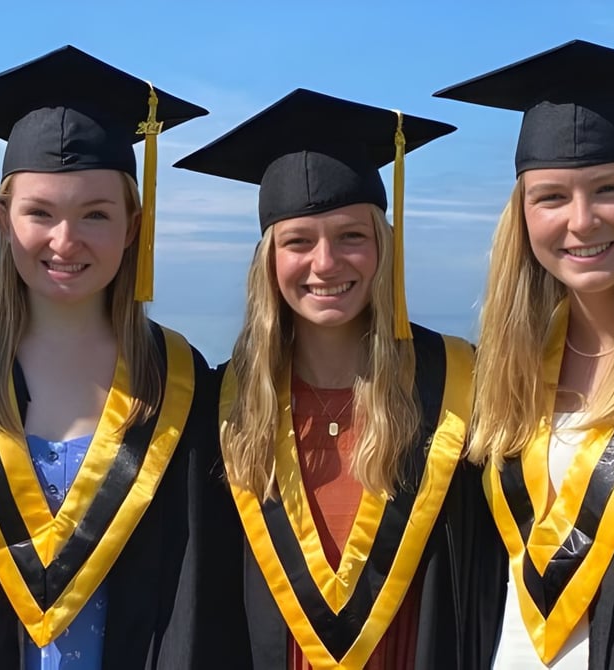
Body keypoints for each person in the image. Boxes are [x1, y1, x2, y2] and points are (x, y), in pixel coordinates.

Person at [0, 45, 239, 669]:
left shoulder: (177, 379)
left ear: (133, 226)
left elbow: (208, 589)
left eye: (96, 213)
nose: (67, 241)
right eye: (40, 213)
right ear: (2, 221)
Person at [174, 89, 504, 669]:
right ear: (269, 260)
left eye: (352, 235)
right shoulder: (222, 406)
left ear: (383, 245)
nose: (325, 263)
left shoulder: (461, 387)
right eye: (298, 241)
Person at [435, 40, 614, 669]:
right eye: (551, 197)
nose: (582, 220)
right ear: (522, 214)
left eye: (609, 189)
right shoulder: (498, 376)